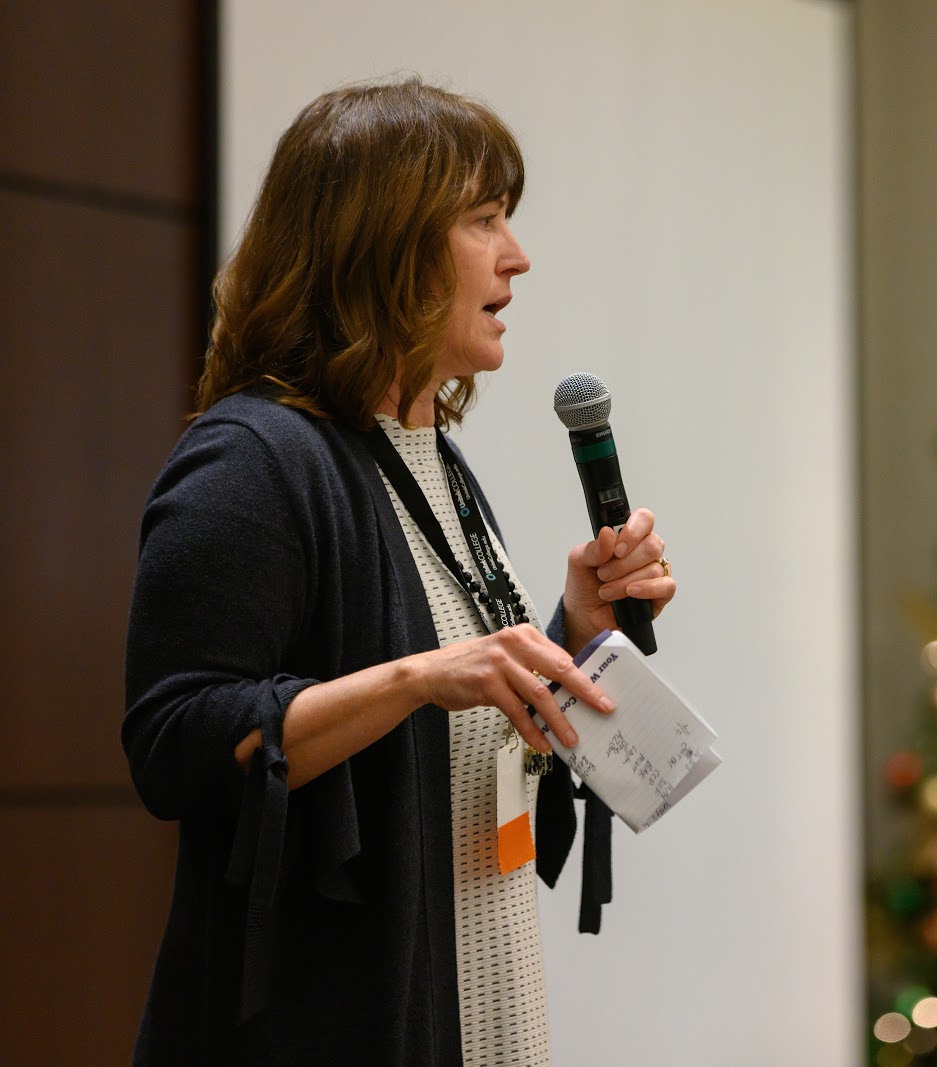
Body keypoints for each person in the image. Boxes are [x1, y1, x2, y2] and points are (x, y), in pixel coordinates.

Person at [122, 79, 674, 1065]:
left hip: (487, 1010)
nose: (517, 254)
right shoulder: (250, 460)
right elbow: (175, 744)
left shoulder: (429, 459)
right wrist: (419, 677)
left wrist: (574, 629)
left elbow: (458, 724)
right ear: (384, 245)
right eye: (484, 218)